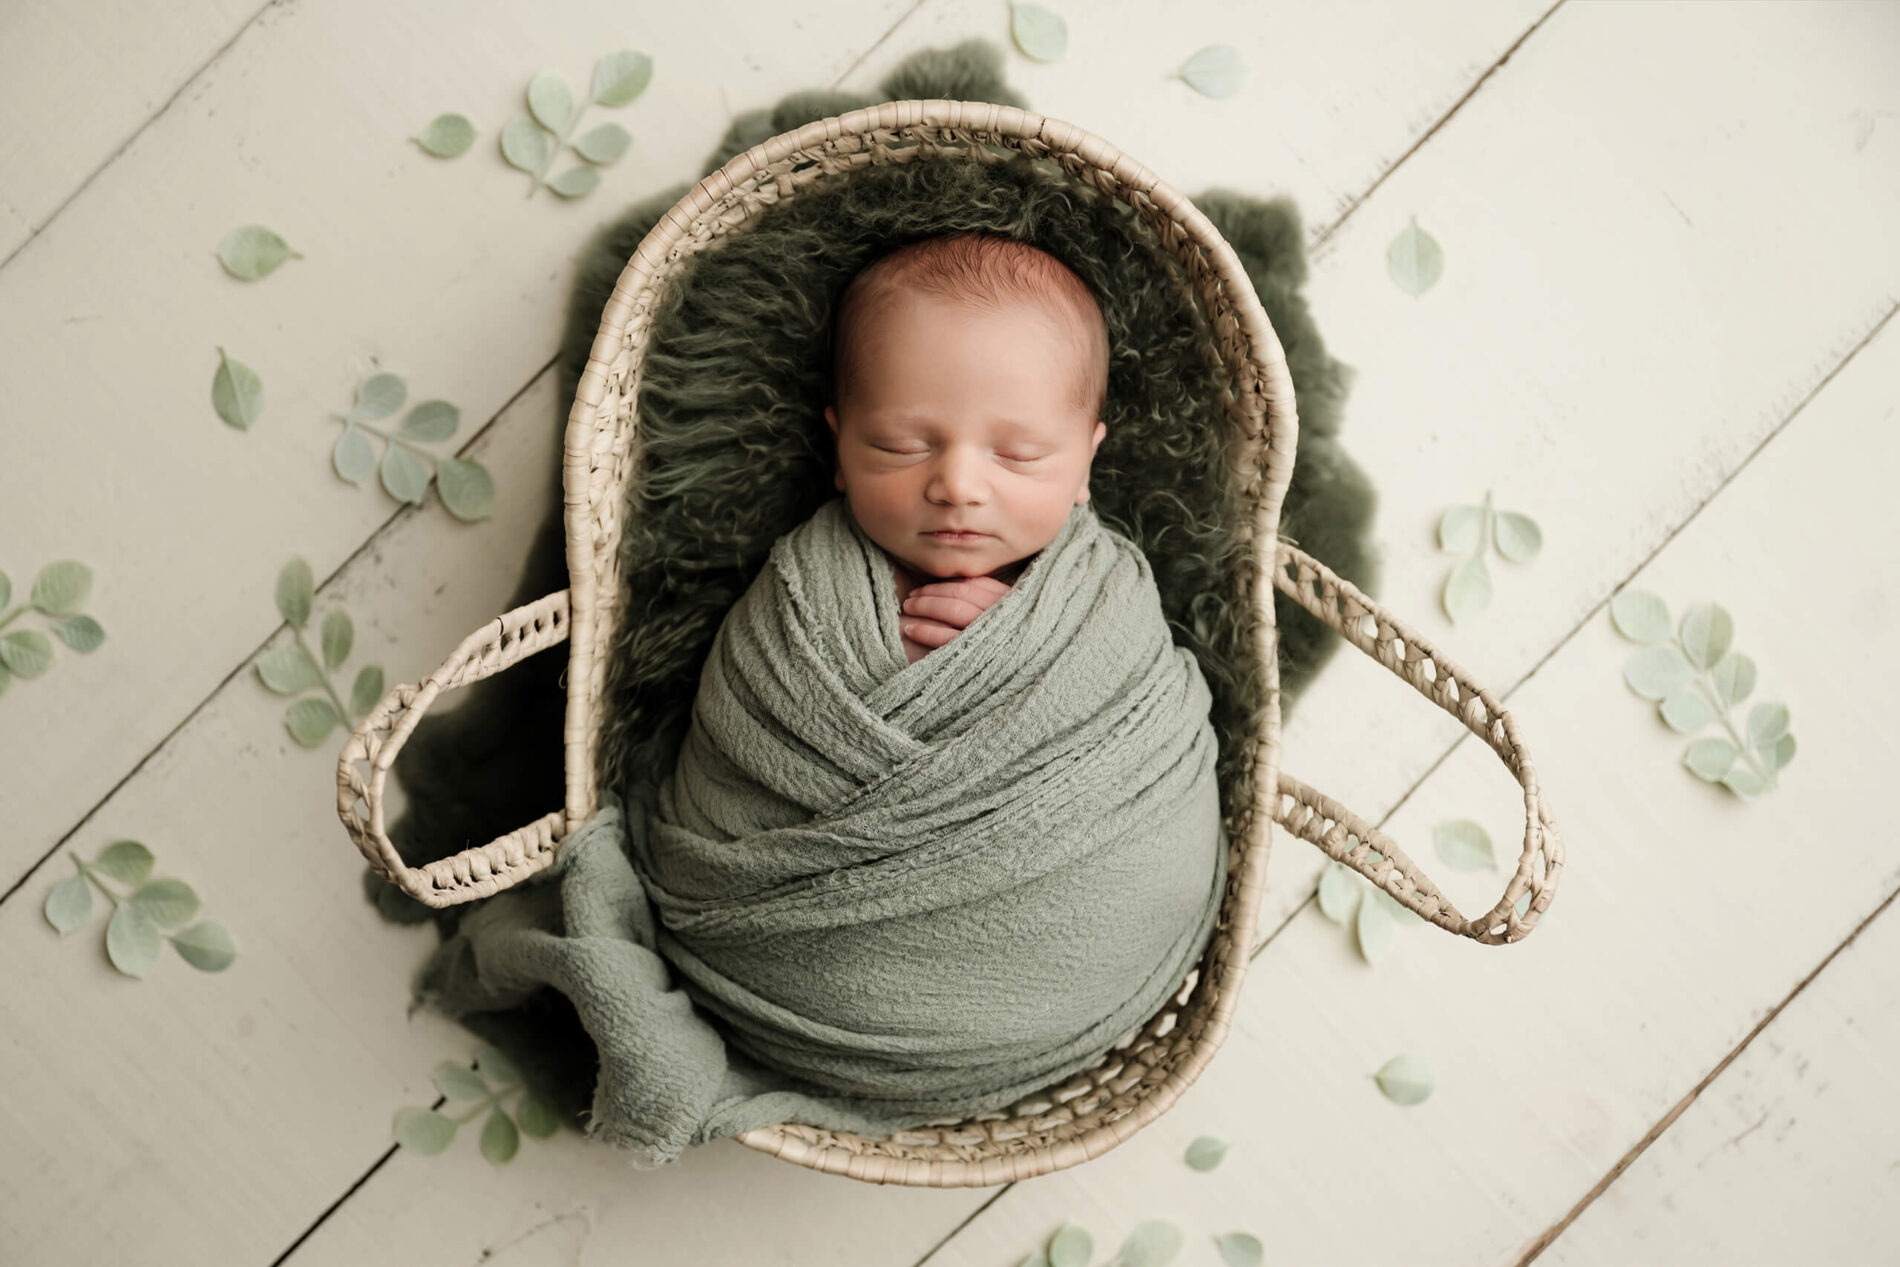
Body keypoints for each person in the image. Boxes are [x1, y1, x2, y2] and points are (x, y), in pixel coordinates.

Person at [824, 232, 1110, 664]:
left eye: (1019, 454)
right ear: (840, 447)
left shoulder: (1106, 596)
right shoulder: (804, 587)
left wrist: (1031, 650)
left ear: (1085, 466)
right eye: (901, 447)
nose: (958, 488)